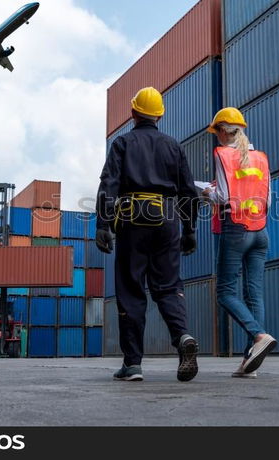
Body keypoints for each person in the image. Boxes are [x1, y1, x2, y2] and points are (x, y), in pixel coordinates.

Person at [95, 86, 200, 382]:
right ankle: (182, 337)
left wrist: (102, 225)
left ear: (133, 112)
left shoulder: (122, 143)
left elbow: (109, 185)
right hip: (167, 219)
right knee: (167, 286)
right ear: (160, 116)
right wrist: (190, 229)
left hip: (132, 218)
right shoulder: (173, 146)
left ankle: (133, 364)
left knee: (131, 289)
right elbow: (188, 192)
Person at [203, 107, 277, 378]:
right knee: (254, 294)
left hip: (236, 230)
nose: (216, 138)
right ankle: (250, 363)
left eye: (216, 132)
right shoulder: (261, 158)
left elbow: (223, 197)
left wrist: (206, 191)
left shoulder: (223, 154)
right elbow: (267, 200)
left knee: (225, 292)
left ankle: (259, 336)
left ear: (223, 130)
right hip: (261, 232)